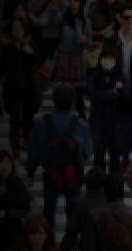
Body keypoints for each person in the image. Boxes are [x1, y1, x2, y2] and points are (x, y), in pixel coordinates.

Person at [24, 85, 92, 234]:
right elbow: (87, 151)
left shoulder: (43, 123)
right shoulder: (79, 124)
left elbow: (33, 148)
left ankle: (49, 246)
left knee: (49, 211)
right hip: (74, 173)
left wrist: (30, 171)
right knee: (72, 213)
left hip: (50, 172)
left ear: (54, 100)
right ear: (73, 101)